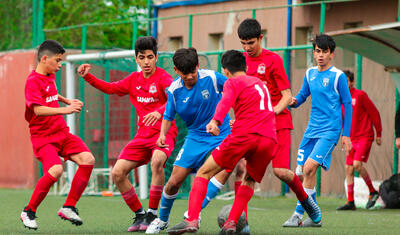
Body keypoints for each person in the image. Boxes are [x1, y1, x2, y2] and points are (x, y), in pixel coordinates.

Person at [166, 50, 321, 235]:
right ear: (246, 68)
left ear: (225, 71)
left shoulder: (232, 82)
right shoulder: (258, 82)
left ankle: (191, 219)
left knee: (203, 172)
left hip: (244, 136)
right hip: (269, 138)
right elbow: (255, 109)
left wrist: (215, 121)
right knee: (249, 179)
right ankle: (232, 222)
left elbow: (225, 102)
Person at [201, 18, 313, 233]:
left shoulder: (273, 60)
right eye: (243, 42)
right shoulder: (239, 63)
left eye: (250, 42)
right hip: (250, 126)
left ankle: (306, 203)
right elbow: (235, 95)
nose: (246, 47)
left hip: (276, 123)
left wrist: (269, 113)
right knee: (239, 169)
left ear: (261, 38)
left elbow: (286, 96)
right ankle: (241, 224)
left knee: (281, 172)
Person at [78, 36, 178, 232]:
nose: (146, 61)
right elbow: (111, 88)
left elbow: (176, 98)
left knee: (157, 162)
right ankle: (140, 214)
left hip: (164, 133)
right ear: (136, 59)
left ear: (156, 57)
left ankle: (152, 214)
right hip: (142, 136)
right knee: (117, 172)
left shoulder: (164, 78)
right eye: (142, 57)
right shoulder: (133, 80)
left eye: (150, 57)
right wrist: (88, 77)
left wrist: (159, 111)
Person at [145, 47, 231, 234]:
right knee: (174, 181)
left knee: (231, 166)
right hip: (195, 137)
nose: (190, 76)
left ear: (197, 66)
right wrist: (161, 135)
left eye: (193, 72)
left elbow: (235, 90)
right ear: (176, 71)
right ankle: (162, 219)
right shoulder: (174, 90)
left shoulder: (213, 78)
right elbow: (168, 115)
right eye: (185, 74)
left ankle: (194, 212)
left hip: (221, 134)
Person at [21, 40, 95, 230]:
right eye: (58, 60)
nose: (60, 65)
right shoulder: (32, 81)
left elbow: (51, 94)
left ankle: (69, 206)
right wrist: (67, 109)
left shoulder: (49, 74)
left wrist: (66, 99)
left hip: (61, 133)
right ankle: (28, 211)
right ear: (45, 59)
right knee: (55, 170)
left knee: (87, 159)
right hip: (43, 138)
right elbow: (37, 110)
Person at [283, 34, 353, 227]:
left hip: (330, 131)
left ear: (332, 54)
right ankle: (315, 218)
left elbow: (347, 104)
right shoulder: (310, 74)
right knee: (305, 173)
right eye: (317, 51)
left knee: (308, 168)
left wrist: (345, 134)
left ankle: (297, 215)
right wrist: (293, 101)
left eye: (324, 52)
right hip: (311, 130)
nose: (320, 55)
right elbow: (303, 95)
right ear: (314, 53)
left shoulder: (338, 76)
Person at [336, 70, 382, 210]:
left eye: (347, 81)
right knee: (348, 169)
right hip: (351, 139)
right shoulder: (340, 98)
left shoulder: (360, 95)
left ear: (352, 82)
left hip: (364, 136)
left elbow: (374, 113)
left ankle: (373, 191)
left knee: (356, 164)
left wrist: (378, 133)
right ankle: (350, 202)